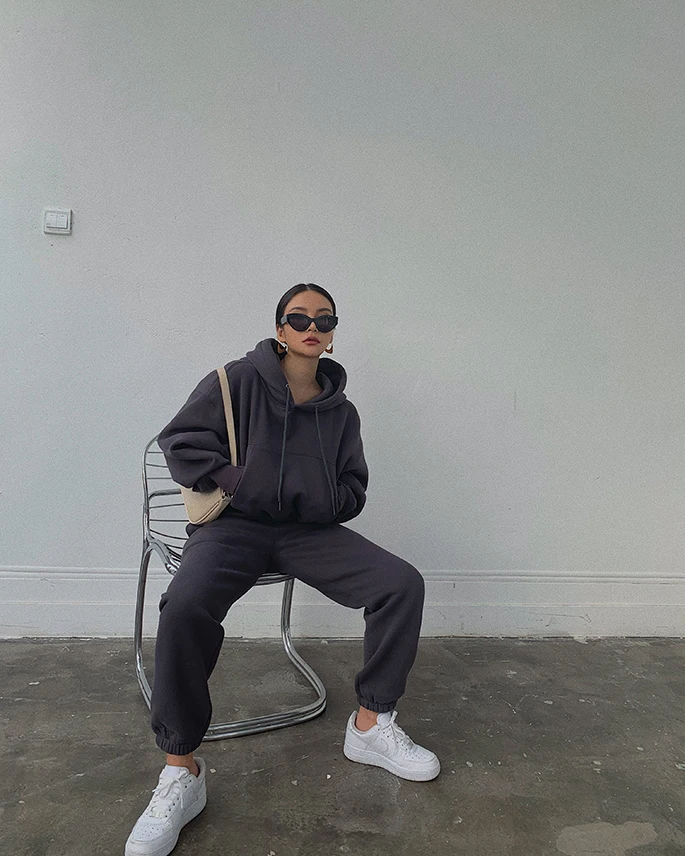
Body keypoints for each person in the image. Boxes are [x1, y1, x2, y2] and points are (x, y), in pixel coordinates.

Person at [125, 283, 440, 856]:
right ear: (280, 329)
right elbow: (181, 442)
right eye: (299, 318)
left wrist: (321, 501)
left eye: (324, 319)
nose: (311, 327)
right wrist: (241, 481)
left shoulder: (341, 411)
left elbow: (353, 485)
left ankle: (371, 724)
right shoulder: (237, 381)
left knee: (400, 584)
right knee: (185, 605)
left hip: (305, 533)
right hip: (232, 527)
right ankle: (180, 769)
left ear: (333, 333)